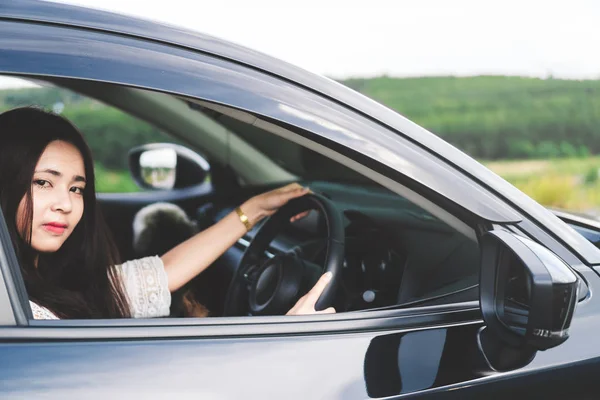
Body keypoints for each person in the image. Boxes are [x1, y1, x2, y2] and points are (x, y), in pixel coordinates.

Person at [0, 106, 335, 320]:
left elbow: (164, 272)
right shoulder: (21, 311)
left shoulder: (46, 280)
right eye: (43, 182)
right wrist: (287, 338)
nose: (67, 204)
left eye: (76, 188)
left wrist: (254, 210)